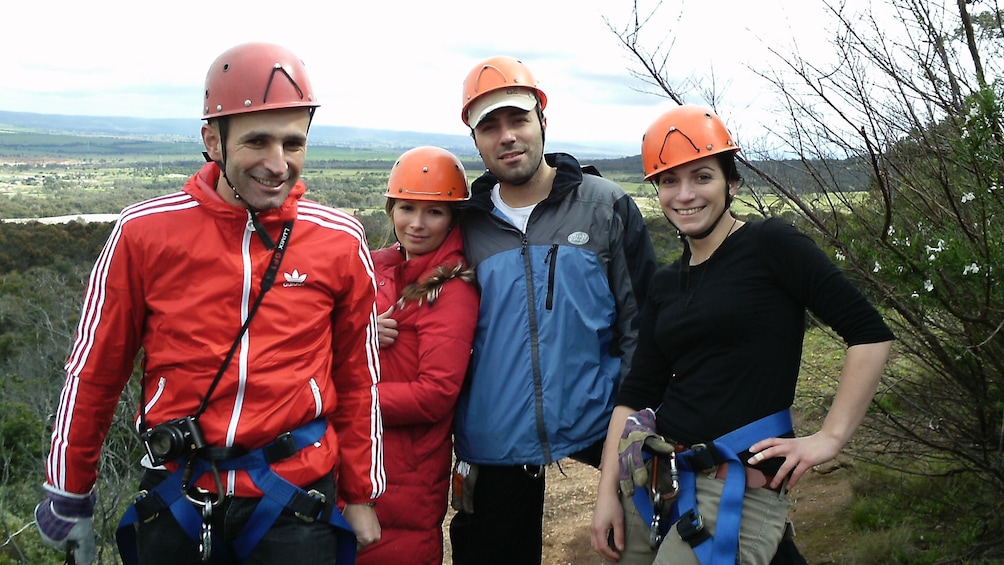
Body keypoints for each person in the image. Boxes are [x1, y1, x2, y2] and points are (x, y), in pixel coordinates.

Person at [34, 42, 384, 565]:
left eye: (294, 142)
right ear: (211, 141)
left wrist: (359, 492)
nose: (277, 163)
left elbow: (358, 375)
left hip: (293, 496)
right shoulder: (145, 233)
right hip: (180, 490)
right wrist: (68, 491)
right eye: (257, 141)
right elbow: (95, 369)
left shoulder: (338, 239)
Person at [589, 104, 895, 565]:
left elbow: (869, 334)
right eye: (669, 180)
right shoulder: (666, 282)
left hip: (736, 483)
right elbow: (636, 394)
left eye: (702, 176)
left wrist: (829, 437)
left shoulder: (771, 245)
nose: (685, 194)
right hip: (660, 481)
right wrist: (606, 493)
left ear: (731, 183)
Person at [449, 55, 658, 565]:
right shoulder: (462, 226)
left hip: (603, 415)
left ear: (542, 118)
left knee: (656, 544)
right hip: (495, 432)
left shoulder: (605, 206)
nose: (507, 137)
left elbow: (642, 325)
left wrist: (641, 416)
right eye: (489, 126)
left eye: (517, 119)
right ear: (474, 140)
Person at [356, 146, 479, 564]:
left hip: (404, 478)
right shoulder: (376, 269)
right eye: (407, 207)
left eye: (435, 212)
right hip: (360, 466)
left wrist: (353, 402)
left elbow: (436, 393)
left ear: (454, 219)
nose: (417, 224)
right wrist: (361, 333)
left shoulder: (452, 289)